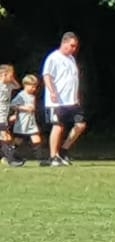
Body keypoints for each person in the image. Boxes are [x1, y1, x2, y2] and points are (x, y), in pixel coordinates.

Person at [42, 31, 85, 166]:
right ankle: (53, 156)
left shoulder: (71, 59)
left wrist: (76, 96)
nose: (74, 49)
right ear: (64, 43)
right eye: (72, 45)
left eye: (75, 46)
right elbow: (47, 75)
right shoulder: (53, 58)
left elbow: (73, 79)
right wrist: (52, 92)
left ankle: (63, 150)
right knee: (58, 126)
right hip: (57, 101)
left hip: (71, 101)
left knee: (80, 124)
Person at [10, 75, 45, 165]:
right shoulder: (21, 95)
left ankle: (41, 159)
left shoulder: (32, 96)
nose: (34, 89)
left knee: (36, 138)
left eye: (35, 87)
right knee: (18, 140)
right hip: (22, 122)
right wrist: (24, 108)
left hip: (31, 122)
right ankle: (9, 154)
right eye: (32, 86)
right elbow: (13, 105)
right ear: (25, 85)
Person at [0, 64, 21, 167]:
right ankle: (11, 160)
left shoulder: (9, 85)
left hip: (4, 116)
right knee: (5, 137)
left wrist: (11, 79)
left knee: (6, 138)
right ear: (4, 74)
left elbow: (18, 86)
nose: (12, 78)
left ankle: (4, 157)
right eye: (11, 75)